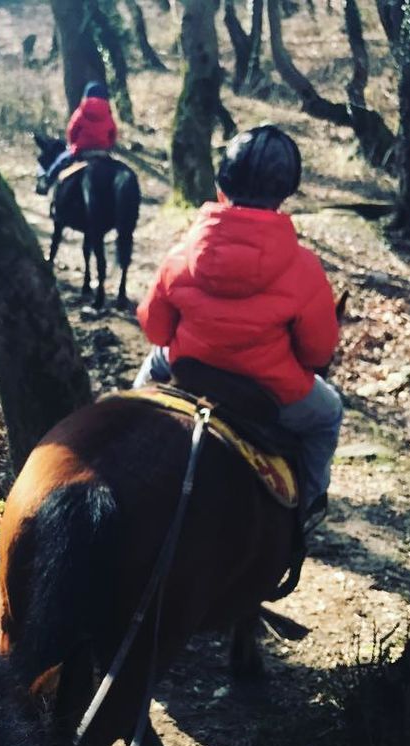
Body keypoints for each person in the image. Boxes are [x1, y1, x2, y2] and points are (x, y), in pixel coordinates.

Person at [133, 125, 342, 532]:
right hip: (268, 390)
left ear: (222, 182)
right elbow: (317, 354)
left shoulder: (182, 251)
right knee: (328, 414)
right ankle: (309, 511)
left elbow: (156, 330)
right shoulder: (305, 268)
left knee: (137, 393)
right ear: (285, 193)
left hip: (189, 370)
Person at [37, 80, 118, 195]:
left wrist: (73, 144)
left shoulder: (81, 111)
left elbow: (71, 130)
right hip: (102, 152)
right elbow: (113, 133)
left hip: (82, 150)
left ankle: (46, 182)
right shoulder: (107, 113)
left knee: (60, 162)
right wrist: (108, 146)